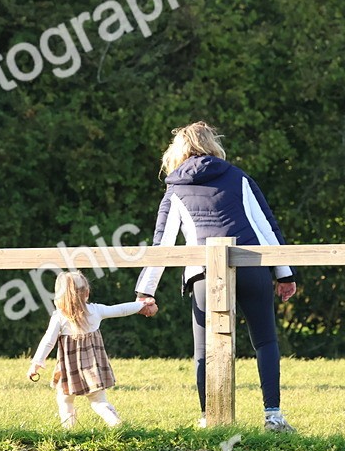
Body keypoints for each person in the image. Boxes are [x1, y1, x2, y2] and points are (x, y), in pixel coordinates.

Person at [135, 121, 298, 432]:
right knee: (265, 341)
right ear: (213, 144)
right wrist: (285, 274)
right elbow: (265, 227)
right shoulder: (239, 177)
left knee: (203, 351)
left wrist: (146, 290)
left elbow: (163, 243)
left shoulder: (175, 187)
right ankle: (273, 417)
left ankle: (209, 420)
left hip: (203, 273)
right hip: (250, 266)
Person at [26, 270, 155, 429]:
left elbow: (48, 341)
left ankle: (68, 429)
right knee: (98, 401)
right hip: (92, 366)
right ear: (86, 293)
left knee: (65, 399)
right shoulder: (95, 311)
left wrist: (36, 363)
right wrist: (142, 304)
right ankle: (115, 423)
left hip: (70, 368)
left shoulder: (59, 317)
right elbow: (120, 309)